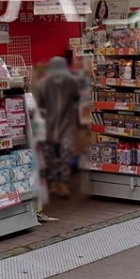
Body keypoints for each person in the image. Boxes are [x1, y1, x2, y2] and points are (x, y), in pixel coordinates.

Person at [33, 56, 81, 199]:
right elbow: (36, 105)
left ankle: (63, 182)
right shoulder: (42, 85)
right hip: (48, 125)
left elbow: (79, 100)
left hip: (67, 124)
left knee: (66, 151)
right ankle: (53, 181)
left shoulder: (72, 83)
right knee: (49, 154)